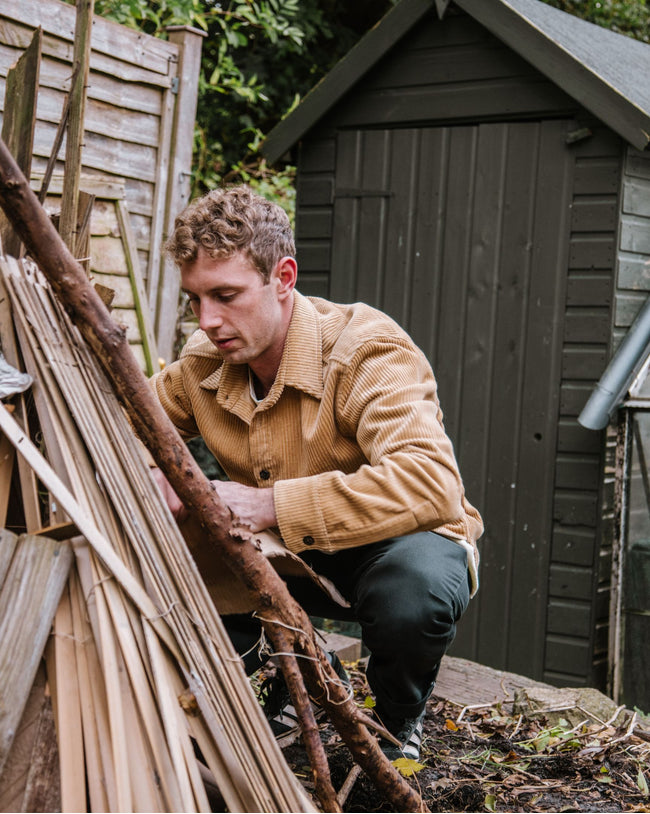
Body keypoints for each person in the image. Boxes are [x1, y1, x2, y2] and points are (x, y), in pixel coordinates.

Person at [150, 184, 483, 762]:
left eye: (226, 295)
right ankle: (285, 672)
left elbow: (431, 483)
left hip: (392, 545)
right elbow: (122, 418)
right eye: (195, 299)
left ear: (283, 277)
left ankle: (396, 721)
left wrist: (268, 504)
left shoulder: (367, 351)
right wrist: (151, 466)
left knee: (412, 595)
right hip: (280, 555)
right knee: (179, 548)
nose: (207, 321)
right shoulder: (202, 364)